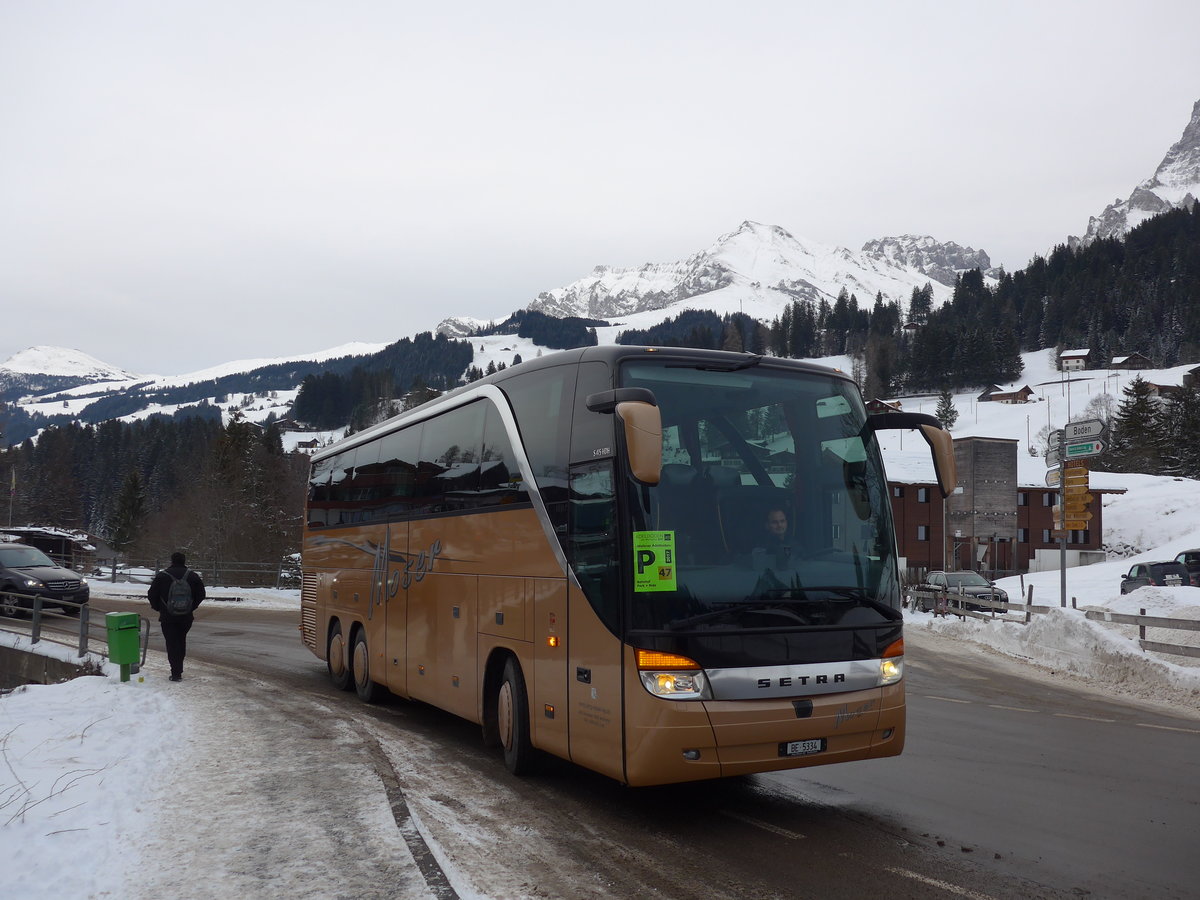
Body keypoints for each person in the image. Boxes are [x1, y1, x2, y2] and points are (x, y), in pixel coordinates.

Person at [147, 551, 205, 681]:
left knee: (172, 643)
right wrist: (191, 606)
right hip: (186, 617)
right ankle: (179, 668)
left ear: (172, 561)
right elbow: (201, 594)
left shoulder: (162, 576)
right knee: (181, 640)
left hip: (168, 617)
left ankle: (176, 672)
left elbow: (151, 594)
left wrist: (160, 608)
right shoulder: (192, 576)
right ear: (184, 561)